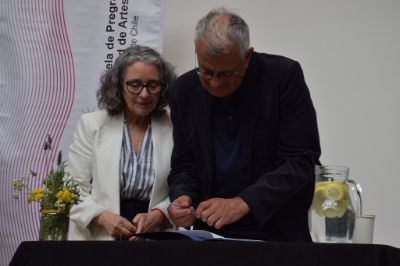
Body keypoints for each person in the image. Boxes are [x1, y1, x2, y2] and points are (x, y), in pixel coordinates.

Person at [167, 7, 321, 241]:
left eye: (227, 74)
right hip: (209, 232)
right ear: (197, 52)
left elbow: (300, 159)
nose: (216, 83)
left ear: (247, 56)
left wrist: (244, 202)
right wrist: (182, 196)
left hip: (276, 231)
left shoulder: (283, 77)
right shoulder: (183, 91)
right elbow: (184, 164)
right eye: (206, 71)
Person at [68, 45, 176, 240]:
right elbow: (73, 188)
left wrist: (159, 216)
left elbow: (184, 187)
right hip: (99, 237)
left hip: (157, 238)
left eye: (152, 85)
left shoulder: (176, 126)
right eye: (134, 84)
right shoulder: (92, 124)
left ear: (163, 86)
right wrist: (101, 217)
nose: (144, 94)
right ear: (118, 85)